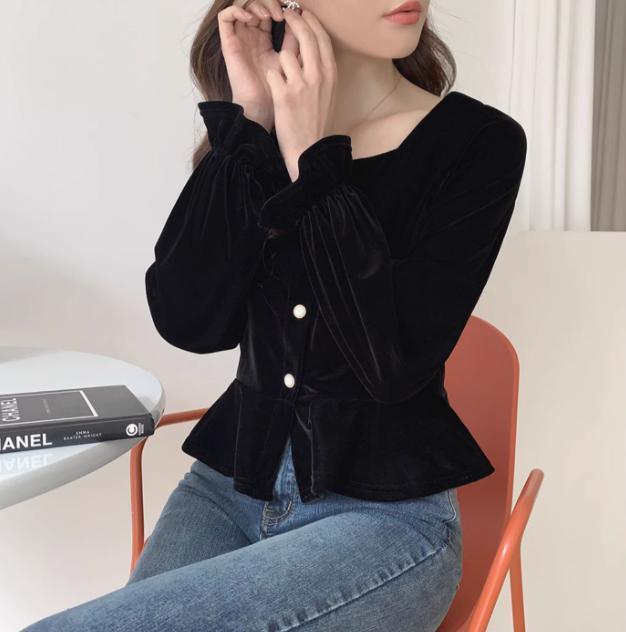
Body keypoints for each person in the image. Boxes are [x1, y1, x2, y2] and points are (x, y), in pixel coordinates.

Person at [22, 0, 527, 630]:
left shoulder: (478, 142)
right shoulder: (253, 141)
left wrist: (315, 160)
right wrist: (252, 124)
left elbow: (391, 363)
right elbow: (190, 323)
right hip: (227, 491)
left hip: (386, 522)